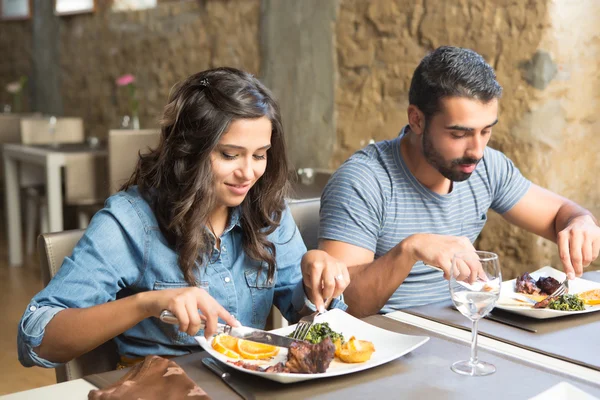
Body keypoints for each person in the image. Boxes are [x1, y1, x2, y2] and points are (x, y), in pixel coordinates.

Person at [18, 67, 349, 369]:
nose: (248, 173)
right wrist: (147, 303)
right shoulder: (131, 221)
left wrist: (317, 285)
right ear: (188, 150)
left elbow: (308, 324)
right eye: (229, 154)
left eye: (260, 155)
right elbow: (36, 337)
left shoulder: (266, 213)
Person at [318, 46, 600, 317]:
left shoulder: (486, 166)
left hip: (462, 333)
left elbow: (561, 214)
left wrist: (581, 221)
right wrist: (410, 249)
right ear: (416, 120)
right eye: (459, 134)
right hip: (385, 348)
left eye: (486, 131)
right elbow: (343, 304)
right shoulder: (364, 181)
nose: (476, 150)